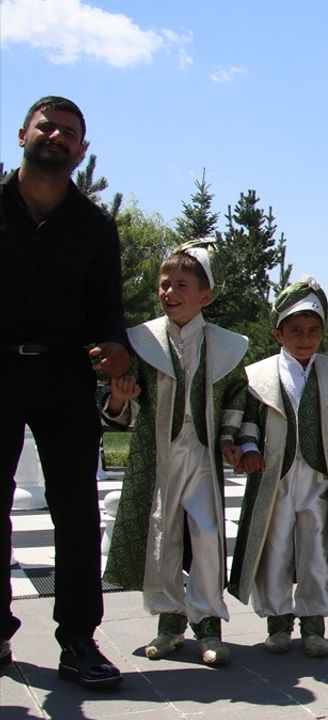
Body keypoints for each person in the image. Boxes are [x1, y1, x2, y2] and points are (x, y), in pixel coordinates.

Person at [0, 95, 130, 687]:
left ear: (81, 150)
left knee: (77, 511)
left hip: (63, 377)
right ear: (22, 133)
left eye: (69, 132)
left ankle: (78, 638)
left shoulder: (95, 226)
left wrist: (115, 348)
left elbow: (107, 312)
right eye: (46, 126)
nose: (56, 136)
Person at [102, 241, 248, 667]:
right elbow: (124, 408)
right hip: (160, 456)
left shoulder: (226, 346)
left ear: (205, 295)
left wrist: (229, 437)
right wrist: (119, 395)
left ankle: (208, 625)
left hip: (200, 456)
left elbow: (237, 398)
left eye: (181, 284)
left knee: (205, 534)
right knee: (162, 533)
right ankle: (169, 623)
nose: (169, 292)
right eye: (164, 285)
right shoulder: (142, 341)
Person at [228, 278, 328, 657]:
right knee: (275, 547)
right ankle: (278, 622)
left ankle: (315, 622)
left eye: (314, 331)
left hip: (318, 478)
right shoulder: (260, 375)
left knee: (316, 547)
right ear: (278, 333)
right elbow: (250, 419)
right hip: (275, 476)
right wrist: (248, 447)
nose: (305, 339)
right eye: (296, 331)